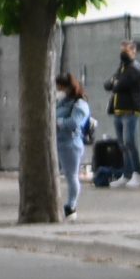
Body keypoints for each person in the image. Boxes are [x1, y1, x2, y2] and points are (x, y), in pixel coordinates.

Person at [53, 73, 92, 219]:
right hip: (58, 141)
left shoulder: (80, 104)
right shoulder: (62, 102)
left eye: (60, 87)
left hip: (71, 144)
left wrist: (59, 122)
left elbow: (74, 123)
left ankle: (71, 206)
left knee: (71, 176)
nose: (58, 90)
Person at [108, 40, 140, 187]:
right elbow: (108, 84)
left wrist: (115, 82)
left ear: (134, 52)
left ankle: (138, 174)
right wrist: (114, 82)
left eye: (126, 51)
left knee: (130, 142)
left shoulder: (135, 68)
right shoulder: (122, 68)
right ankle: (127, 174)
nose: (123, 54)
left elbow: (119, 85)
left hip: (130, 111)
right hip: (118, 110)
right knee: (122, 144)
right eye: (122, 51)